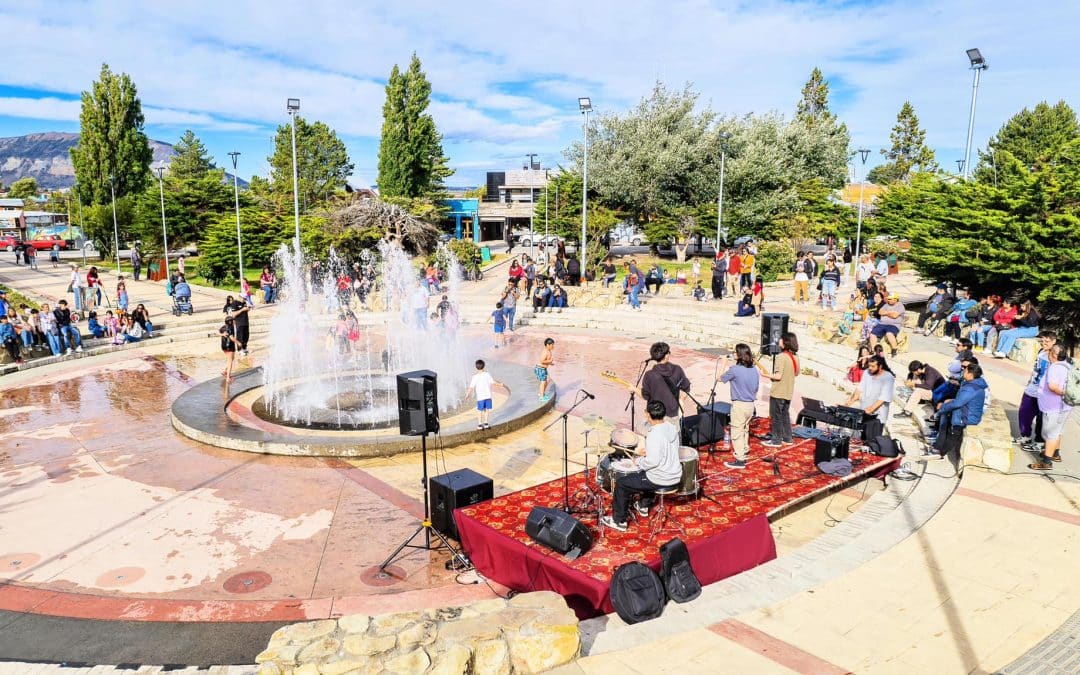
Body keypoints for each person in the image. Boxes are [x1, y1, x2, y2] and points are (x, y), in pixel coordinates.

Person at [601, 399, 682, 532]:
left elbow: (652, 462)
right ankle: (643, 505)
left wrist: (638, 461)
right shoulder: (671, 428)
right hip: (675, 473)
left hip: (662, 477)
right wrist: (648, 452)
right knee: (642, 476)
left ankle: (619, 521)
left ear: (648, 415)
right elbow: (666, 448)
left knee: (622, 483)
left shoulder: (654, 434)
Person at [925, 363, 989, 460]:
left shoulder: (970, 388)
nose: (963, 372)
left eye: (965, 370)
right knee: (944, 419)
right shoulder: (973, 384)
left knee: (953, 433)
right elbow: (961, 401)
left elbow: (958, 404)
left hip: (966, 417)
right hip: (966, 412)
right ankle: (937, 446)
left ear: (970, 374)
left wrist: (943, 407)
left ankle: (940, 452)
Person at [1030, 345, 1073, 470]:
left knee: (1050, 434)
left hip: (1054, 407)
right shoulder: (1067, 365)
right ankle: (1055, 454)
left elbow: (1053, 387)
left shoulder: (1055, 368)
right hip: (1065, 406)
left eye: (1050, 352)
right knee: (1057, 431)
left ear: (1053, 355)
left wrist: (1065, 393)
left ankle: (1046, 462)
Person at [719, 343, 760, 469]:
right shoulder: (754, 369)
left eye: (735, 352)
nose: (733, 354)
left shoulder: (735, 370)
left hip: (740, 405)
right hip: (750, 404)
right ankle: (744, 449)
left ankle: (740, 459)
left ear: (740, 355)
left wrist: (724, 363)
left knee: (737, 431)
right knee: (745, 428)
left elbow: (719, 378)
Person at [1014, 331, 1057, 451]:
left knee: (1041, 419)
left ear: (1054, 341)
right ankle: (1025, 436)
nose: (1043, 343)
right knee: (1024, 413)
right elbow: (1036, 369)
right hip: (1032, 388)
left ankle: (1040, 442)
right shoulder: (1041, 352)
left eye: (1047, 341)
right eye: (1042, 341)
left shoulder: (1055, 355)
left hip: (1045, 393)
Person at [758, 332, 798, 447]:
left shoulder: (781, 357)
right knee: (785, 415)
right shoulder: (795, 357)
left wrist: (765, 375)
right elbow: (796, 373)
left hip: (778, 391)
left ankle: (776, 440)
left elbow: (778, 376)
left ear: (785, 342)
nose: (779, 341)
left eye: (781, 339)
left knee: (776, 416)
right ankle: (787, 438)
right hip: (788, 390)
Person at [844, 355, 896, 437]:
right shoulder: (867, 372)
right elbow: (860, 388)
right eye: (869, 366)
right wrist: (850, 401)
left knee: (872, 441)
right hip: (864, 411)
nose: (870, 368)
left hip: (877, 416)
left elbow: (883, 398)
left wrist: (870, 410)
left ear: (880, 366)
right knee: (858, 440)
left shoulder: (888, 378)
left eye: (873, 366)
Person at [641, 342, 691, 424]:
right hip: (673, 415)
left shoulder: (649, 375)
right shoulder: (677, 369)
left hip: (656, 417)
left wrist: (633, 389)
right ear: (666, 356)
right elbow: (686, 388)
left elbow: (645, 396)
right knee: (674, 436)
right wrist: (681, 401)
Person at [466, 359, 503, 430]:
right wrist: (500, 384)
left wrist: (467, 394)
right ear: (484, 366)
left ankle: (480, 424)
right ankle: (486, 423)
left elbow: (471, 387)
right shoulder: (487, 374)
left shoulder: (475, 376)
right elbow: (493, 382)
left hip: (481, 397)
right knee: (486, 409)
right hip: (488, 396)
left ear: (476, 367)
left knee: (480, 410)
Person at [219, 315, 241, 381]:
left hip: (224, 346)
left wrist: (222, 334)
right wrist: (238, 343)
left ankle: (225, 371)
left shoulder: (224, 327)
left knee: (232, 358)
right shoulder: (230, 328)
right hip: (229, 346)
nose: (234, 321)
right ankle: (228, 378)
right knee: (230, 362)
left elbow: (217, 333)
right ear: (230, 322)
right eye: (233, 320)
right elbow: (231, 338)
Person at [536, 337, 555, 402]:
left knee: (548, 380)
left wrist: (550, 363)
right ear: (548, 345)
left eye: (553, 345)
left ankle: (542, 393)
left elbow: (546, 361)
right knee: (543, 382)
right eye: (552, 345)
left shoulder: (549, 351)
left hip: (543, 369)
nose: (553, 346)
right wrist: (550, 361)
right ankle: (541, 396)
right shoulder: (545, 352)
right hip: (540, 368)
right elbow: (542, 361)